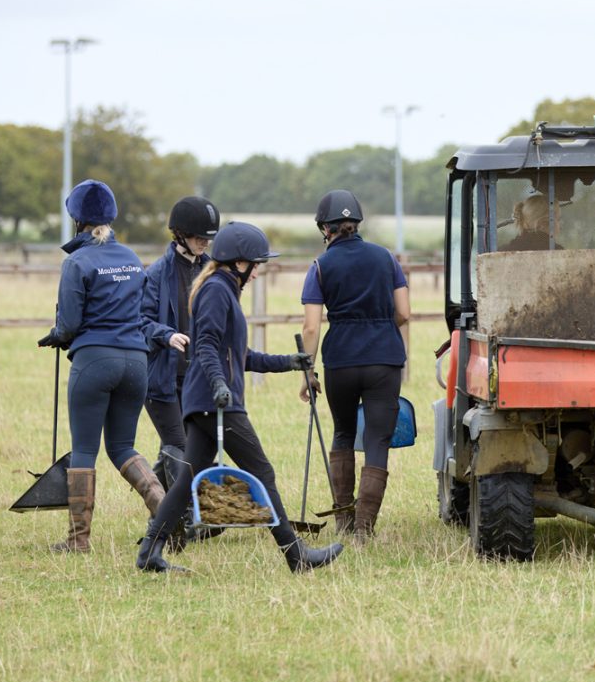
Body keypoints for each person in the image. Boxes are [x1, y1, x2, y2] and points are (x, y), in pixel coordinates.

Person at [136, 221, 344, 574]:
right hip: (216, 401)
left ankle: (148, 553)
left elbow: (240, 355)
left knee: (186, 480)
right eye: (257, 264)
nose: (259, 272)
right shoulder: (217, 290)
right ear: (239, 262)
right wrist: (219, 385)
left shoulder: (223, 289)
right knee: (262, 471)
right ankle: (296, 556)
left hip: (206, 401)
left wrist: (288, 363)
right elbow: (206, 346)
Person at [38, 179, 185, 554]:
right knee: (123, 446)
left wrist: (56, 335)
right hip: (136, 363)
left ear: (77, 220)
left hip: (94, 362)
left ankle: (78, 541)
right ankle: (167, 519)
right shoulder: (133, 259)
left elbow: (69, 325)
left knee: (85, 450)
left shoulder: (77, 261)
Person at [299, 190, 410, 539]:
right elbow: (404, 313)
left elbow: (312, 326)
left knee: (343, 432)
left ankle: (344, 521)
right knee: (377, 439)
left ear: (325, 228)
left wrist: (308, 372)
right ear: (356, 224)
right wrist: (379, 325)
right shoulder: (386, 258)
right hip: (384, 359)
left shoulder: (319, 266)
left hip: (341, 360)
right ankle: (365, 527)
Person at [142, 196, 219, 495]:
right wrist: (165, 335)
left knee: (179, 446)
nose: (204, 243)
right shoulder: (156, 273)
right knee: (179, 444)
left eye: (208, 238)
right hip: (162, 376)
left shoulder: (212, 269)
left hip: (197, 375)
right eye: (199, 237)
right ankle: (188, 515)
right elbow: (141, 319)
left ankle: (158, 507)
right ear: (180, 235)